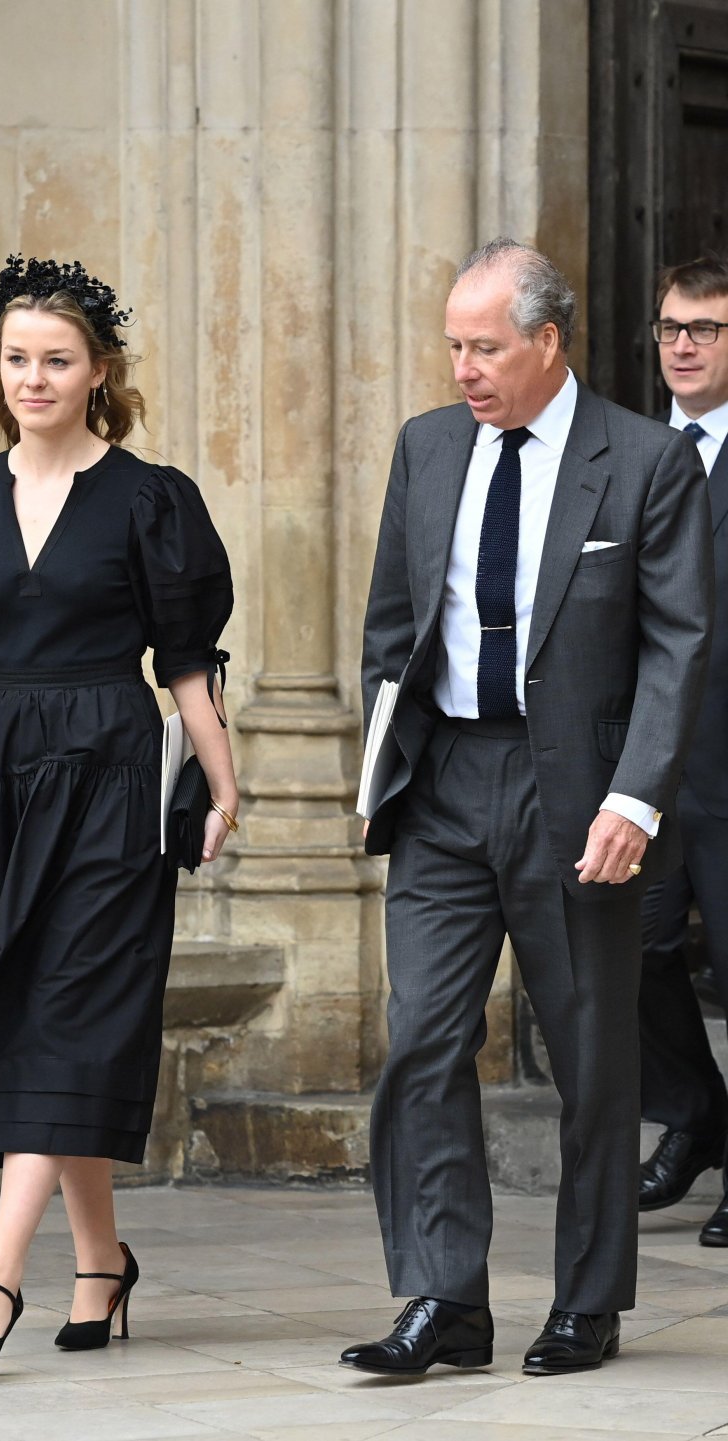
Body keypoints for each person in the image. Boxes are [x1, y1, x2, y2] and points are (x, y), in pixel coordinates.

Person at [344, 238, 712, 1379]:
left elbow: (679, 644)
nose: (462, 366)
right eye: (454, 344)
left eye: (485, 346)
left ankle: (588, 1298)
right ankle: (444, 1296)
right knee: (423, 1043)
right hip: (446, 787)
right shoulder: (426, 445)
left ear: (548, 343)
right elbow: (391, 626)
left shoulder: (646, 461)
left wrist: (637, 797)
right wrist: (381, 761)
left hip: (581, 796)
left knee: (593, 1056)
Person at [0, 254, 236, 1371]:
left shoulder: (150, 499)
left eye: (57, 360)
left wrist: (223, 781)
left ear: (99, 373)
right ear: (0, 368)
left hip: (114, 778)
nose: (34, 376)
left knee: (62, 1015)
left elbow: (185, 662)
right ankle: (102, 1265)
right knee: (40, 1018)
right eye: (18, 358)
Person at [636, 256, 728, 1248]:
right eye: (670, 328)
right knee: (630, 954)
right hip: (649, 774)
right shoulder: (622, 454)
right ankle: (699, 1112)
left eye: (704, 328)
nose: (685, 346)